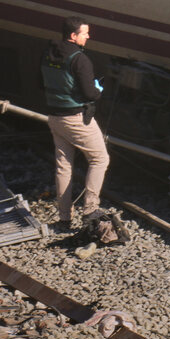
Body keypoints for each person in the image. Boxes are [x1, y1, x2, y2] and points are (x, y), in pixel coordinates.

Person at [40, 16, 110, 232]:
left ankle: (64, 219)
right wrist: (97, 90)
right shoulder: (80, 60)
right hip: (76, 119)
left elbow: (39, 82)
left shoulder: (47, 54)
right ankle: (90, 209)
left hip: (54, 117)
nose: (88, 36)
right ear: (73, 35)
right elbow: (90, 93)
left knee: (64, 165)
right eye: (85, 33)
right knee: (100, 159)